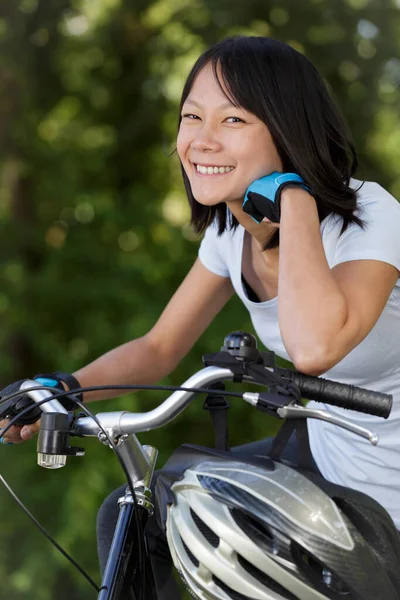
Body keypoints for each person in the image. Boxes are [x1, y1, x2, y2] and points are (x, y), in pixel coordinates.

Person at [2, 35, 400, 598]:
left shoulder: (373, 218)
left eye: (233, 119)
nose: (201, 141)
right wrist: (60, 388)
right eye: (192, 116)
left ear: (289, 129)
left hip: (391, 486)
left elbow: (315, 348)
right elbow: (160, 346)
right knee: (134, 511)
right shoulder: (227, 233)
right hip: (330, 455)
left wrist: (296, 201)